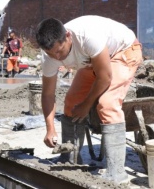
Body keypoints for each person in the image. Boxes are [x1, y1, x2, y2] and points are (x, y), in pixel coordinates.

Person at [35, 16, 143, 184]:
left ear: (68, 36)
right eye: (51, 54)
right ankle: (69, 159)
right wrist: (50, 128)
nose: (57, 57)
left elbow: (105, 77)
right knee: (71, 102)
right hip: (91, 61)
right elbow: (48, 94)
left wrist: (86, 105)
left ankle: (117, 173)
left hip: (123, 51)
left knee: (107, 104)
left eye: (60, 51)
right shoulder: (49, 56)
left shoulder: (88, 36)